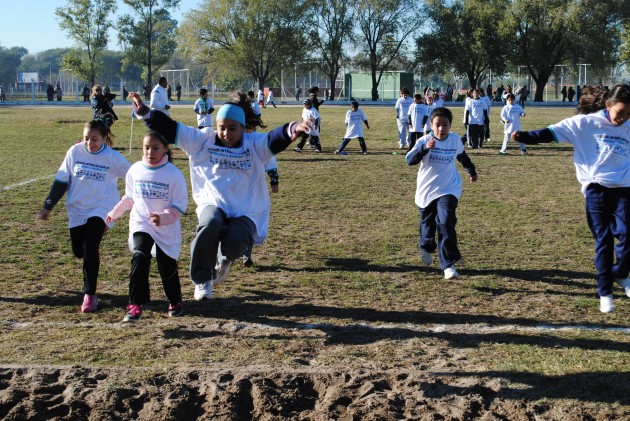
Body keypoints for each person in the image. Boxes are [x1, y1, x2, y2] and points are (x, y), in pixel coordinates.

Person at [128, 91, 311, 301]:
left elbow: (274, 138)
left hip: (246, 209)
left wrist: (293, 128)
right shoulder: (202, 140)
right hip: (212, 203)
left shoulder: (253, 145)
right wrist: (146, 114)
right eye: (222, 127)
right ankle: (202, 279)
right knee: (209, 224)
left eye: (232, 128)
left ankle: (224, 260)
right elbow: (171, 128)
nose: (226, 133)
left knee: (234, 243)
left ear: (243, 128)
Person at [511, 84, 630, 313]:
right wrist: (525, 136)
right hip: (596, 188)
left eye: (628, 114)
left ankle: (620, 273)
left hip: (625, 188)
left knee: (627, 237)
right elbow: (551, 133)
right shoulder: (585, 123)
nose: (623, 118)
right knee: (604, 240)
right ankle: (605, 291)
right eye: (620, 113)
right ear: (608, 105)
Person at [36, 120, 131, 313]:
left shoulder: (112, 157)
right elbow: (61, 180)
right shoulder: (74, 152)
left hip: (102, 208)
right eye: (87, 138)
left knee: (89, 247)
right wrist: (48, 205)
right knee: (79, 251)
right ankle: (94, 235)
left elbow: (134, 176)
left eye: (94, 139)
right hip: (78, 209)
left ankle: (90, 295)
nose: (90, 143)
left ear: (104, 138)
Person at [106, 130, 188, 323]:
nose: (150, 152)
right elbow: (130, 197)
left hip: (165, 228)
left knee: (166, 266)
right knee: (140, 256)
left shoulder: (173, 174)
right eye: (146, 148)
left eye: (155, 148)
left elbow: (179, 206)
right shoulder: (135, 170)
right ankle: (135, 304)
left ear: (166, 149)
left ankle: (175, 300)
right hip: (141, 222)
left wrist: (163, 217)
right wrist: (114, 212)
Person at [406, 107, 478, 279]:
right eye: (437, 125)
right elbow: (409, 160)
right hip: (427, 191)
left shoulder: (454, 140)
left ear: (450, 125)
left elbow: (462, 156)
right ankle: (426, 246)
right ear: (431, 125)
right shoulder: (424, 140)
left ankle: (448, 265)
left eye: (445, 124)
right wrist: (424, 148)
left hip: (449, 188)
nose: (441, 129)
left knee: (446, 222)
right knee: (428, 226)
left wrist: (471, 171)